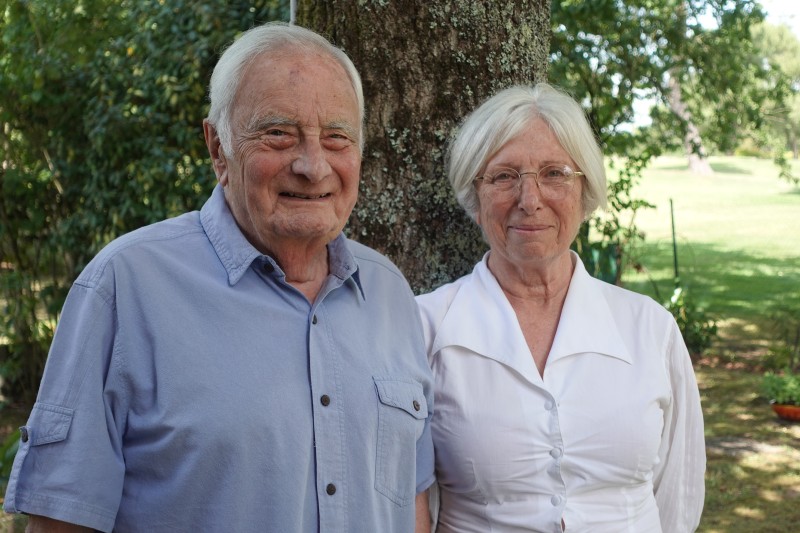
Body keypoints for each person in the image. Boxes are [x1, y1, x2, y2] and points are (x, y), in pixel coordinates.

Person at [4, 22, 434, 533]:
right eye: (279, 133)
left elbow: (412, 506)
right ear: (217, 147)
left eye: (337, 138)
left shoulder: (390, 293)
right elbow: (61, 522)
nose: (312, 165)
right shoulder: (126, 286)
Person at [416, 84, 705, 532]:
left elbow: (678, 496)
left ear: (585, 190)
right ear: (475, 197)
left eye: (555, 173)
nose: (530, 200)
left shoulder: (650, 329)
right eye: (504, 176)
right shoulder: (426, 329)